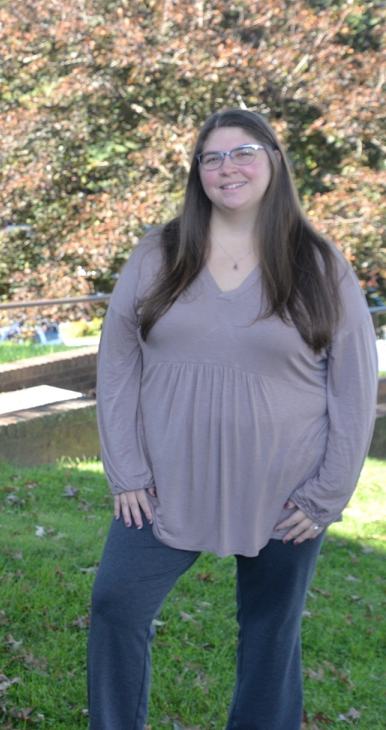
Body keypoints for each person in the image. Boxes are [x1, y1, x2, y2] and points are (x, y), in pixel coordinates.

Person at [89, 109, 378, 729]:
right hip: (162, 483)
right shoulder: (158, 254)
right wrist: (127, 473)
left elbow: (354, 388)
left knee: (271, 634)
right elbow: (116, 365)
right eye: (212, 157)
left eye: (243, 152)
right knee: (116, 604)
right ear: (198, 174)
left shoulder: (321, 266)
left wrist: (326, 494)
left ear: (273, 160)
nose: (227, 168)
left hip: (286, 489)